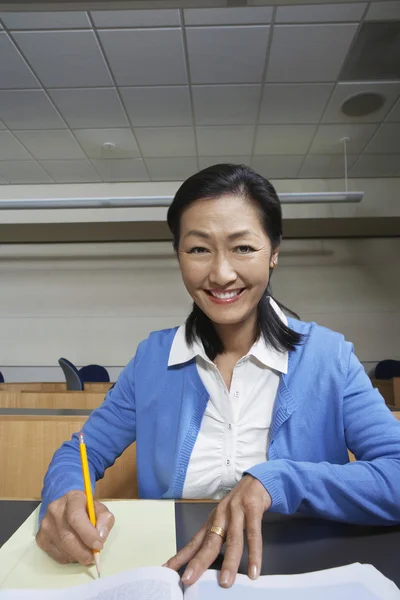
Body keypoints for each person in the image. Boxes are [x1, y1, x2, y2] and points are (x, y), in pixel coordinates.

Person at [36, 164, 400, 588]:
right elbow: (79, 453)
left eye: (243, 248)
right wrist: (64, 496)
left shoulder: (328, 356)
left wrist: (278, 479)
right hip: (173, 573)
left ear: (274, 252)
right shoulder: (152, 359)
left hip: (302, 571)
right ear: (178, 255)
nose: (222, 274)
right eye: (198, 250)